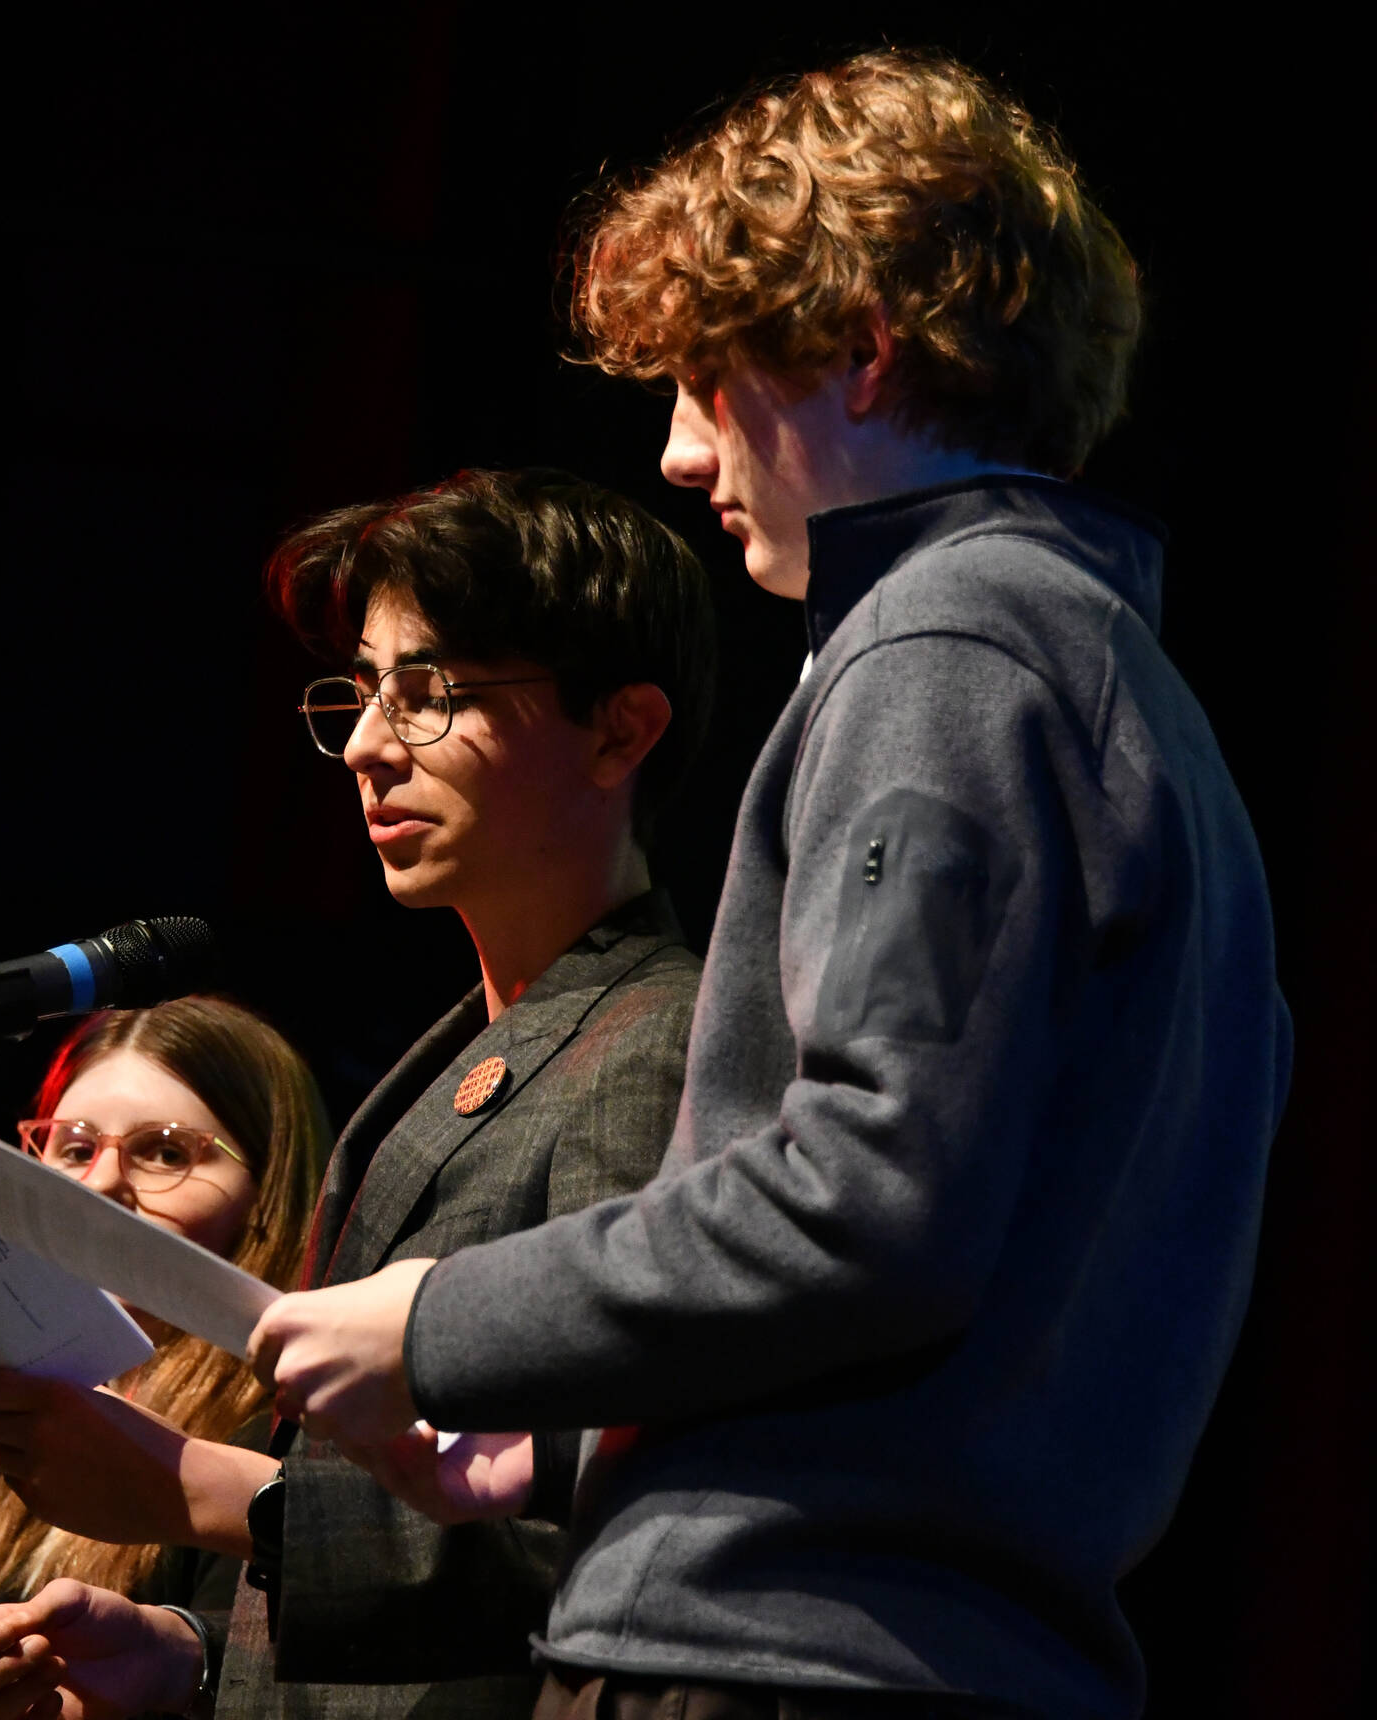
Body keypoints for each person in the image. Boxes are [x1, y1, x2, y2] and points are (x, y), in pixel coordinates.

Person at [250, 48, 1295, 1720]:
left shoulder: (943, 648)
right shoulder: (1115, 683)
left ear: (862, 354)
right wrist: (570, 1440)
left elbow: (867, 1202)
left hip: (771, 1658)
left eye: (703, 380)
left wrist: (440, 1319)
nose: (676, 453)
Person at [0, 467, 715, 1720]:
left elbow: (594, 1527)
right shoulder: (467, 1048)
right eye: (363, 691)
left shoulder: (654, 1046)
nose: (364, 745)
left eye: (429, 694)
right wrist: (189, 1659)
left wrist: (201, 1489)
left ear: (619, 731)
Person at [0, 996, 328, 1719]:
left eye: (165, 1152)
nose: (102, 1184)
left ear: (267, 1193)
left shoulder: (289, 1433)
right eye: (75, 1149)